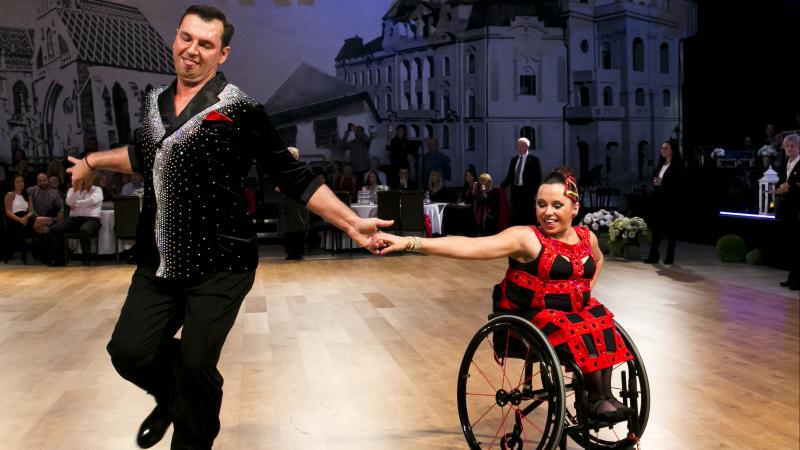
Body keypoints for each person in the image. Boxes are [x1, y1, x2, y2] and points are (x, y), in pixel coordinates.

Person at [65, 6, 391, 449]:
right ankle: (177, 394)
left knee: (198, 363)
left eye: (205, 44)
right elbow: (144, 154)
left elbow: (291, 175)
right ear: (175, 39)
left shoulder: (239, 108)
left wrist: (351, 222)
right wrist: (90, 162)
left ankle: (192, 415)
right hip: (159, 262)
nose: (192, 50)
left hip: (221, 263)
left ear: (222, 54)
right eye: (186, 38)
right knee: (129, 353)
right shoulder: (155, 100)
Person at [375, 169, 635, 421]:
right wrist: (411, 242)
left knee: (599, 317)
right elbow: (471, 245)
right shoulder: (526, 239)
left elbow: (597, 261)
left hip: (572, 312)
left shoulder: (586, 237)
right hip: (531, 314)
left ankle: (602, 395)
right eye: (541, 204)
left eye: (557, 205)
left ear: (575, 208)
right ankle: (594, 400)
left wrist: (584, 292)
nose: (548, 212)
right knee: (580, 324)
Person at [644, 140, 684, 265]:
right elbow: (658, 180)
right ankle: (653, 255)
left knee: (672, 229)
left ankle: (669, 256)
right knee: (657, 229)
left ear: (673, 150)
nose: (663, 150)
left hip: (671, 201)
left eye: (666, 148)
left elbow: (678, 184)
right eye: (662, 148)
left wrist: (663, 183)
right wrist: (656, 183)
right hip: (659, 200)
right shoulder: (661, 164)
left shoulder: (677, 166)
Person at [48, 177, 103, 266]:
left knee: (84, 230)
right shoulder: (72, 190)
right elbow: (69, 202)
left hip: (92, 220)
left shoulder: (97, 189)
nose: (83, 181)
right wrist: (75, 190)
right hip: (75, 219)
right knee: (55, 229)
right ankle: (59, 260)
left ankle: (86, 259)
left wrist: (77, 204)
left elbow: (93, 201)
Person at [775, 133, 799, 290]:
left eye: (792, 146)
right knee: (791, 246)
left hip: (797, 209)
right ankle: (792, 278)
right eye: (787, 146)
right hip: (788, 210)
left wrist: (790, 188)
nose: (789, 148)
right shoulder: (786, 164)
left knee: (797, 246)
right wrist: (777, 190)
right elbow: (782, 184)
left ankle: (797, 280)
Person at [501, 137, 542, 226]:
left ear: (526, 147)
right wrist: (501, 186)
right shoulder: (514, 159)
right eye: (518, 146)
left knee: (528, 215)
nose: (518, 148)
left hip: (528, 193)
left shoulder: (534, 159)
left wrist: (536, 193)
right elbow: (510, 176)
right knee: (516, 216)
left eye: (521, 146)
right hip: (516, 191)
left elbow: (538, 178)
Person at [278, 147, 309, 260]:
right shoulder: (282, 169)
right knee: (287, 227)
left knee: (298, 225)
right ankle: (291, 252)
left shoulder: (300, 168)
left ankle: (298, 251)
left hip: (297, 200)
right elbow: (277, 185)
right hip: (287, 200)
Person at [4, 176, 36, 251]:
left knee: (41, 227)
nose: (20, 184)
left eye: (22, 181)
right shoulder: (10, 194)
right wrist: (20, 219)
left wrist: (26, 217)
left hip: (26, 218)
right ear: (13, 184)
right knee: (41, 224)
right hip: (15, 219)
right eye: (17, 182)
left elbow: (31, 211)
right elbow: (8, 212)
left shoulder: (28, 196)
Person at [28, 172, 64, 236]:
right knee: (39, 223)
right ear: (37, 182)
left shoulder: (54, 193)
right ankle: (53, 230)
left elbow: (63, 206)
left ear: (48, 180)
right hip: (33, 217)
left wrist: (61, 212)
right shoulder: (31, 191)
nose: (42, 183)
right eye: (40, 181)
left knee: (41, 228)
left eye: (44, 180)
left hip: (46, 219)